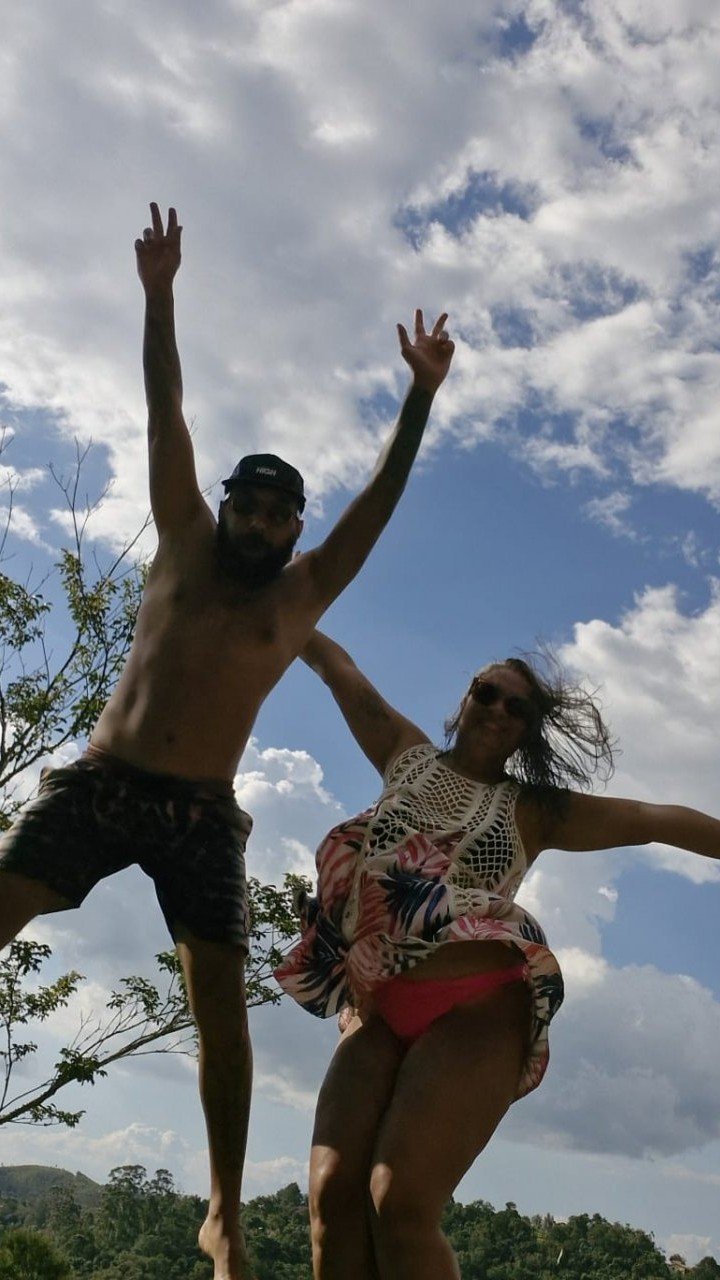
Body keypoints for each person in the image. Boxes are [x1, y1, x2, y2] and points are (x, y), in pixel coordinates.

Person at [0, 204, 455, 1280]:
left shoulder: (300, 596)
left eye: (275, 514)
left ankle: (222, 1216)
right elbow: (166, 412)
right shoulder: (183, 541)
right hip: (103, 780)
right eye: (246, 506)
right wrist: (159, 298)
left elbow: (381, 502)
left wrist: (419, 398)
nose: (256, 524)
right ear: (227, 506)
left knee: (220, 1010)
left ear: (295, 528)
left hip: (202, 812)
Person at [275, 630, 720, 1280]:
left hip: (476, 1007)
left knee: (398, 1204)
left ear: (528, 731)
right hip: (375, 1007)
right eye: (487, 693)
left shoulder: (535, 810)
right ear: (465, 699)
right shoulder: (405, 755)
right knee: (331, 1199)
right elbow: (335, 664)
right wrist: (266, 596)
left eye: (518, 708)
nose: (498, 710)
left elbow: (653, 819)